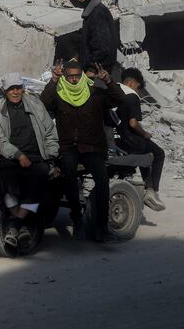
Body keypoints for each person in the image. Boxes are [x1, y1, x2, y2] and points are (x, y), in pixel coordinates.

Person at [41, 58, 125, 241]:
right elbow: (43, 103)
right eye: (69, 77)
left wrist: (109, 81)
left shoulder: (95, 93)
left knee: (102, 182)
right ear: (64, 76)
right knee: (69, 178)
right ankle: (77, 220)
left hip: (93, 147)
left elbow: (120, 99)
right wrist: (53, 80)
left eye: (77, 76)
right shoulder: (59, 93)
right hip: (68, 146)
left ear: (82, 76)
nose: (73, 80)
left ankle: (102, 227)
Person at [0, 72, 58, 248]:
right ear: (4, 91)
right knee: (2, 180)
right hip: (11, 156)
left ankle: (14, 225)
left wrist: (51, 156)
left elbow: (50, 131)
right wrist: (18, 155)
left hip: (37, 155)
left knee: (38, 181)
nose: (15, 92)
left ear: (22, 89)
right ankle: (21, 223)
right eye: (11, 89)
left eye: (18, 88)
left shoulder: (35, 104)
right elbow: (0, 141)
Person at [115, 68, 166, 212]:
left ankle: (148, 186)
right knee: (158, 153)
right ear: (132, 83)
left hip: (115, 138)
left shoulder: (115, 91)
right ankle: (151, 190)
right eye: (138, 87)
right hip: (129, 138)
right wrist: (144, 133)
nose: (137, 90)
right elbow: (133, 123)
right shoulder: (132, 96)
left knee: (145, 149)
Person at [74, 0, 122, 83]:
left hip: (99, 72)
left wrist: (92, 68)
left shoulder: (97, 13)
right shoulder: (92, 12)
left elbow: (102, 45)